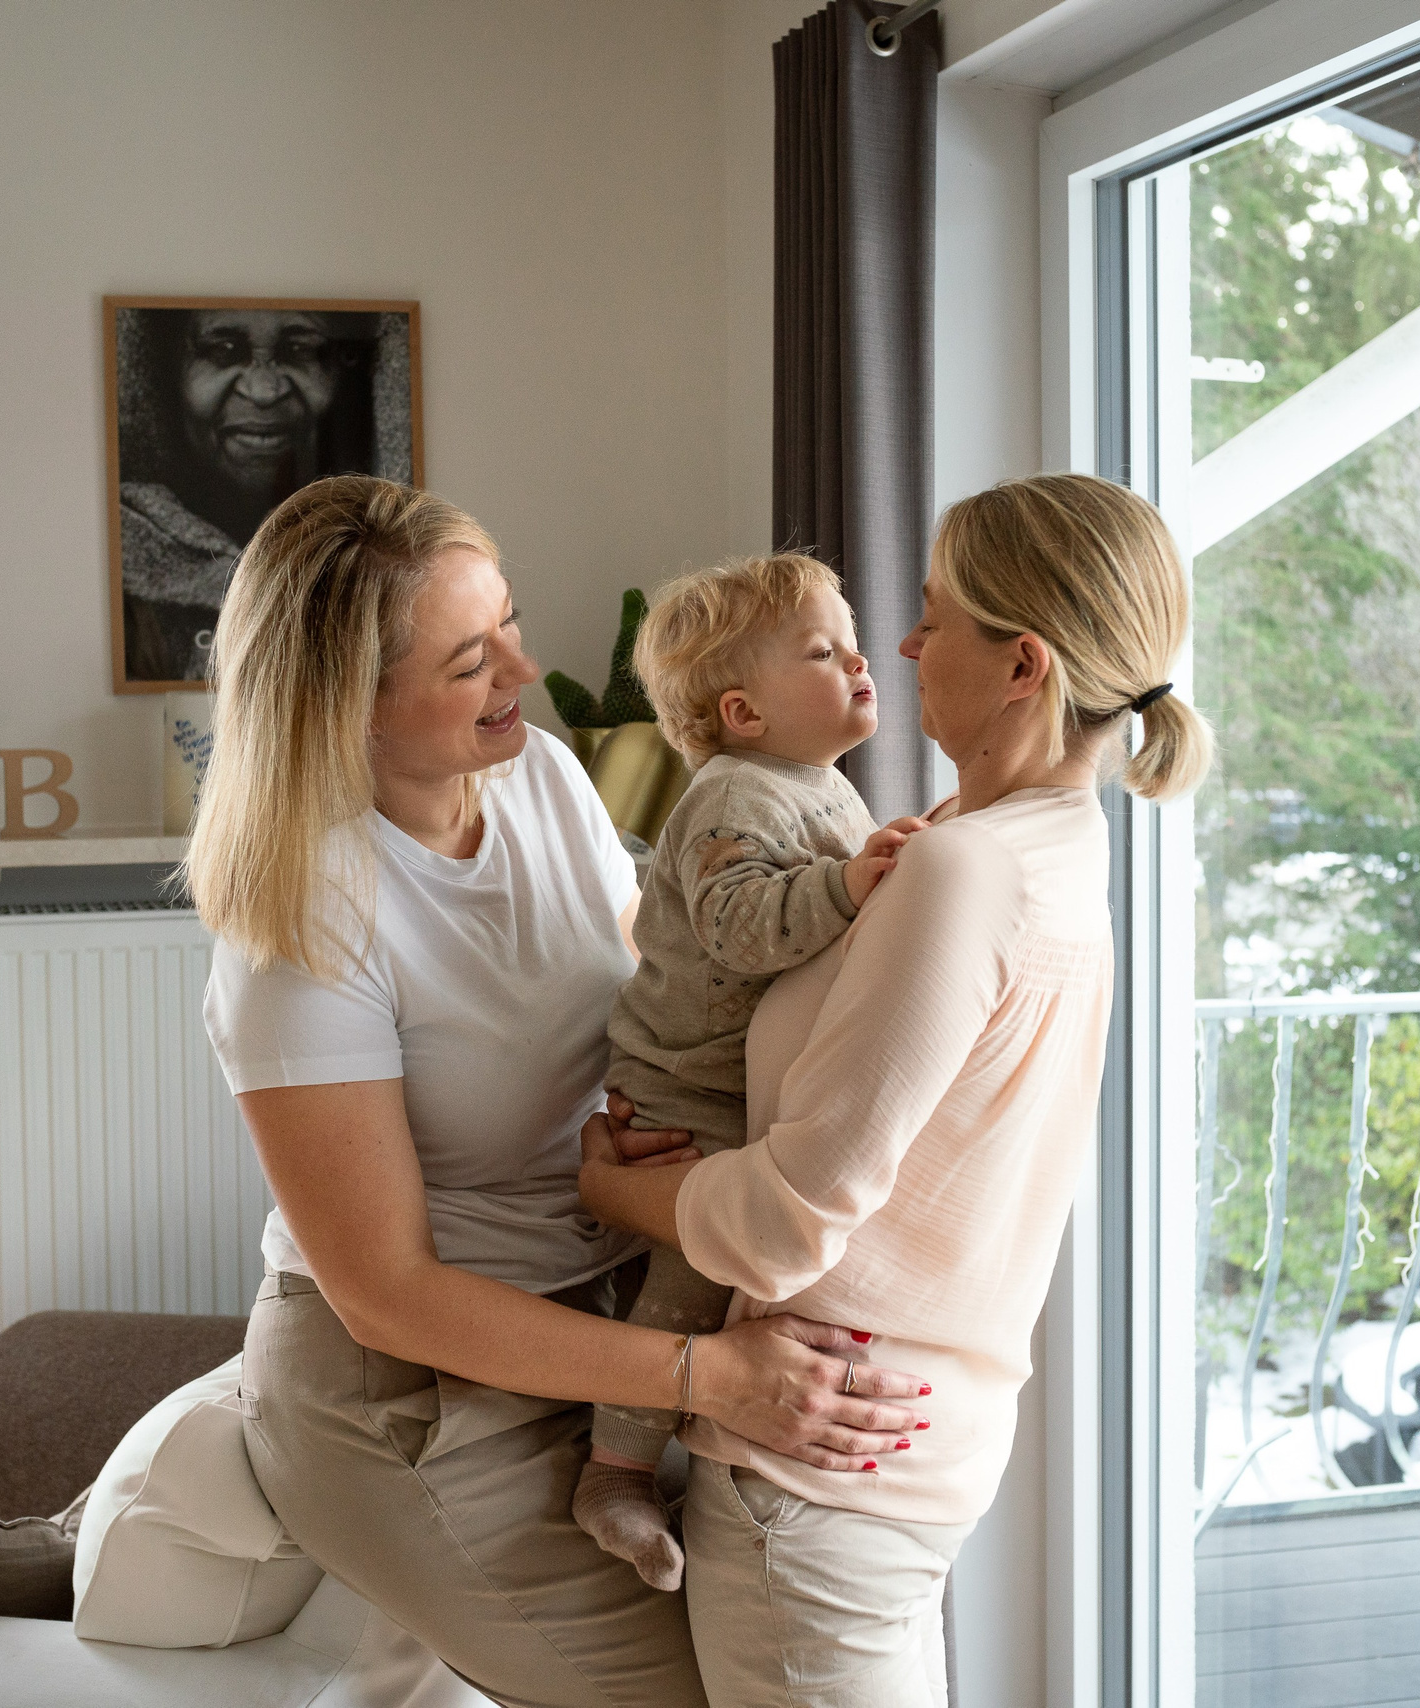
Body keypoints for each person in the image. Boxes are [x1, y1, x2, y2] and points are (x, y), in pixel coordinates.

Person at [184, 475, 931, 1708]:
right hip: (414, 1405)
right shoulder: (302, 928)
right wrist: (707, 1379)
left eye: (510, 625)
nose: (525, 672)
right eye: (472, 660)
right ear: (347, 706)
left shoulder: (537, 778)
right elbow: (386, 1296)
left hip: (609, 1330)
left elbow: (657, 991)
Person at [581, 472, 1212, 1708]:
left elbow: (779, 1226)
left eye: (933, 618)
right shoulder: (1044, 849)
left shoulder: (961, 870)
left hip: (817, 1473)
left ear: (1023, 664)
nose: (908, 645)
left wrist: (609, 1185)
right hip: (907, 1447)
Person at [573, 554, 923, 1590]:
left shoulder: (816, 783)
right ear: (743, 711)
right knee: (689, 1281)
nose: (860, 658)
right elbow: (737, 928)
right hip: (685, 1089)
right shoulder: (733, 797)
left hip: (737, 1085)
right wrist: (850, 883)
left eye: (848, 638)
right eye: (822, 651)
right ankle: (615, 1473)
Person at [118, 307, 372, 682]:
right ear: (164, 373)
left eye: (301, 351)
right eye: (223, 350)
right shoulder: (112, 563)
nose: (264, 392)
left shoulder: (382, 554)